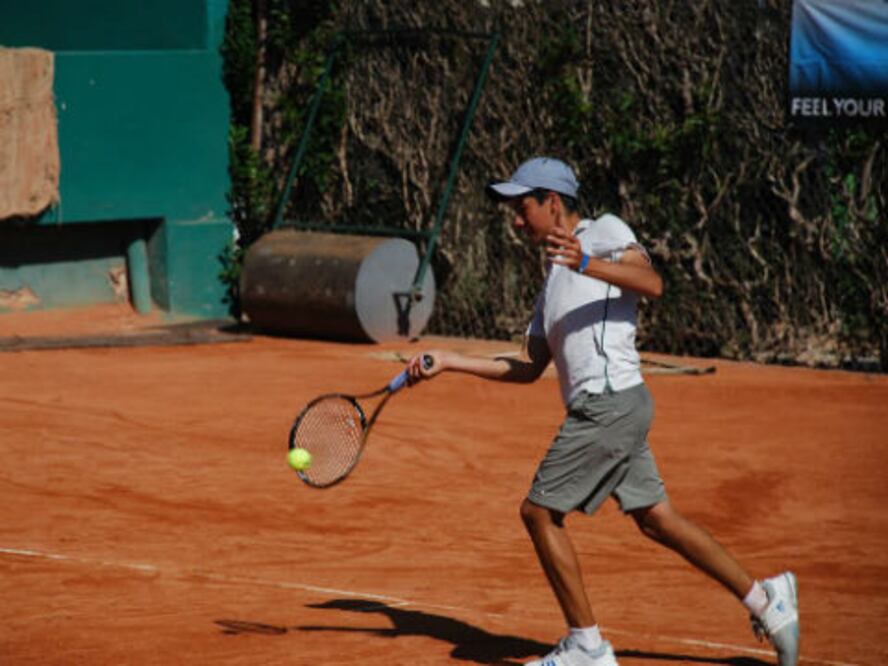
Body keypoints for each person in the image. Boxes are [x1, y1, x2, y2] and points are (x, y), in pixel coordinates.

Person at [407, 157, 799, 666]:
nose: (517, 220)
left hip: (607, 404)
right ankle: (766, 599)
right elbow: (528, 364)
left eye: (523, 207)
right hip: (613, 409)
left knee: (539, 513)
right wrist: (448, 361)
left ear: (553, 202)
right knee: (657, 519)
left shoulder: (602, 231)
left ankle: (588, 648)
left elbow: (651, 282)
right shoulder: (551, 280)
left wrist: (586, 262)